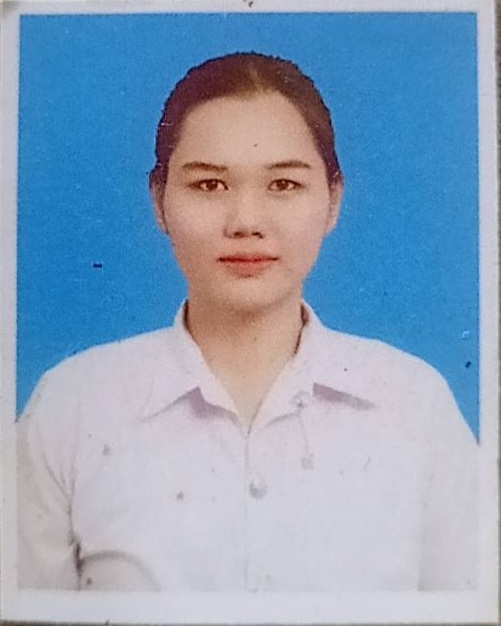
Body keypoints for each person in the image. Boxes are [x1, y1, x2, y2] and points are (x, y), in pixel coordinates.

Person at [18, 52, 477, 592]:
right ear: (159, 202)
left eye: (283, 185)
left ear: (333, 200)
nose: (246, 222)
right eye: (209, 185)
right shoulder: (71, 408)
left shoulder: (415, 406)